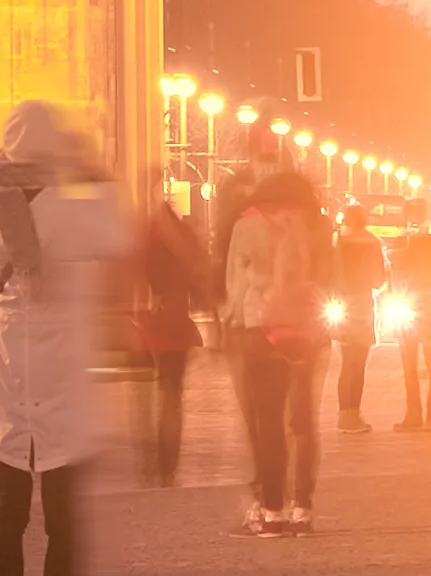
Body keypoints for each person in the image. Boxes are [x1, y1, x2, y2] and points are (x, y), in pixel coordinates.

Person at [0, 104, 119, 576]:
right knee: (63, 518)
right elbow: (118, 231)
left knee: (7, 508)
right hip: (63, 374)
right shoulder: (77, 206)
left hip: (5, 369)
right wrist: (91, 165)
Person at [217, 165, 329, 531]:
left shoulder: (247, 224)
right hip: (307, 328)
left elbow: (235, 281)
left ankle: (271, 511)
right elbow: (331, 275)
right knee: (304, 418)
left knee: (268, 422)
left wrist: (234, 317)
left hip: (260, 329)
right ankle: (304, 508)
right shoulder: (317, 224)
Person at [122, 183, 208, 487]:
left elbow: (128, 278)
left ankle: (152, 461)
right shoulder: (180, 238)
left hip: (147, 324)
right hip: (172, 325)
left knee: (148, 396)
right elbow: (199, 271)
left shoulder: (141, 237)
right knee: (170, 396)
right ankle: (166, 464)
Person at [385, 209, 431, 432]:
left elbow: (397, 275)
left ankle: (421, 415)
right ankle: (422, 415)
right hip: (420, 308)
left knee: (420, 365)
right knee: (424, 365)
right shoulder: (425, 245)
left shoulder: (413, 245)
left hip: (416, 307)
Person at [326, 199, 387, 429]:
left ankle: (343, 415)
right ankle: (354, 415)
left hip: (340, 305)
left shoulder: (336, 240)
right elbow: (378, 278)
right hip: (362, 305)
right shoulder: (372, 242)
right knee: (358, 364)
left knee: (345, 363)